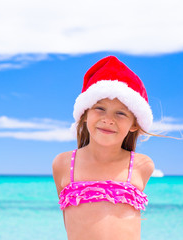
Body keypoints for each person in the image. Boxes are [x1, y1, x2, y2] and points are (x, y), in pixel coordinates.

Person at [52, 56, 155, 240]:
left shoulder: (141, 165)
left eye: (120, 113)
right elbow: (68, 222)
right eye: (100, 109)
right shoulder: (64, 163)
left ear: (134, 124)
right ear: (84, 114)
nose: (108, 119)